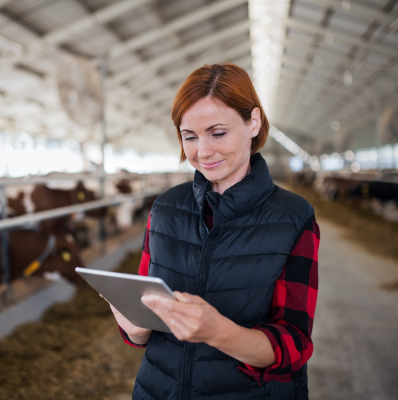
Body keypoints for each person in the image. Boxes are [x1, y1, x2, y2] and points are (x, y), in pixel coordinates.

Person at [108, 63, 320, 400]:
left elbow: (293, 344)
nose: (202, 151)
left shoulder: (293, 217)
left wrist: (219, 332)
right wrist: (134, 327)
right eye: (189, 136)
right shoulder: (164, 209)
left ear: (253, 122)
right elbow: (146, 320)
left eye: (217, 133)